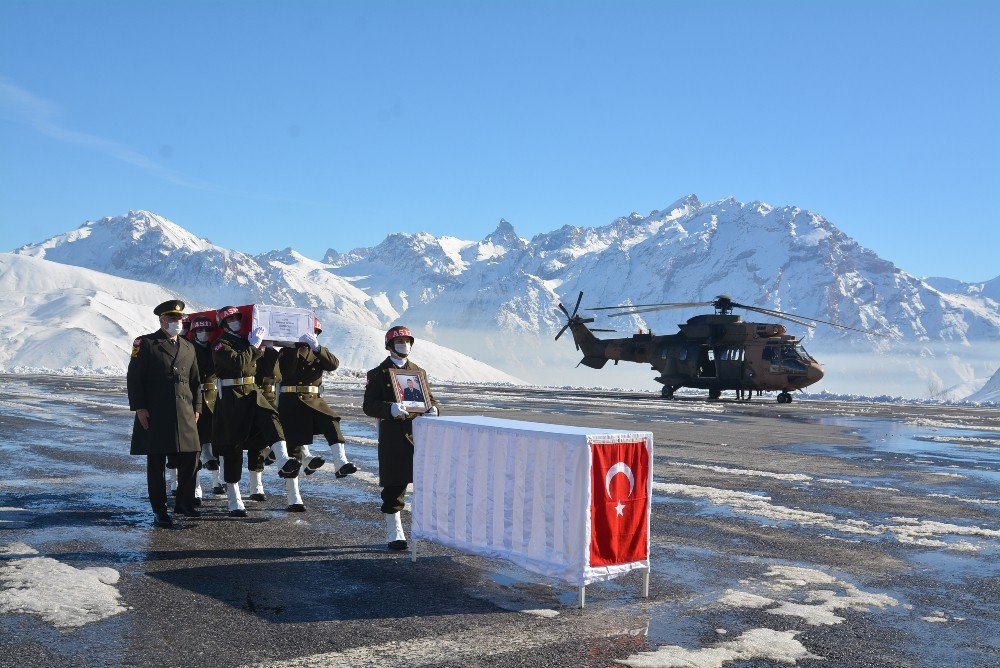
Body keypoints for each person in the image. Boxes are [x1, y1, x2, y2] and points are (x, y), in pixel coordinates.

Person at [212, 305, 300, 518]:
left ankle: (283, 460)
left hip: (252, 392)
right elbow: (239, 364)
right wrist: (254, 347)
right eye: (231, 319)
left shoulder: (246, 341)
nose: (235, 321)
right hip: (232, 397)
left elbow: (268, 371)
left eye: (237, 318)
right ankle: (234, 500)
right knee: (232, 446)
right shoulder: (220, 344)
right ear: (223, 324)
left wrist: (268, 348)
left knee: (271, 417)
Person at [363, 325, 440, 551]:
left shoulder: (418, 372)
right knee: (395, 483)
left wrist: (433, 408)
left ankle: (424, 528)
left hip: (419, 434)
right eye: (399, 342)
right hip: (393, 435)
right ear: (389, 346)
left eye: (407, 341)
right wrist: (390, 409)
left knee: (425, 482)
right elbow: (369, 406)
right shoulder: (378, 374)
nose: (404, 345)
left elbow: (430, 399)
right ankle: (394, 531)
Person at [127, 300, 202, 528]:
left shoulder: (189, 347)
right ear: (161, 320)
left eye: (179, 319)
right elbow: (134, 378)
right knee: (157, 463)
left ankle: (184, 503)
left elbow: (196, 381)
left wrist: (197, 408)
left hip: (185, 412)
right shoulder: (147, 343)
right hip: (157, 412)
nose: (176, 323)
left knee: (191, 457)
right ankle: (160, 511)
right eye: (172, 319)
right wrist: (140, 408)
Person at [277, 319, 357, 510]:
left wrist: (317, 347)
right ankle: (293, 497)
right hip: (291, 401)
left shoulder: (319, 350)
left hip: (314, 400)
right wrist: (291, 348)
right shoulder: (287, 350)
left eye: (315, 332)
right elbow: (286, 371)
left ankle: (340, 463)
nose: (312, 334)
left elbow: (333, 364)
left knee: (331, 421)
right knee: (293, 448)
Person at [189, 316, 221, 498]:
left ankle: (218, 482)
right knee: (196, 446)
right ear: (194, 333)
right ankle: (196, 487)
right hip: (195, 398)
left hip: (214, 399)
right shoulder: (189, 349)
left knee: (217, 443)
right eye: (200, 331)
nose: (204, 334)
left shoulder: (215, 348)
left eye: (207, 331)